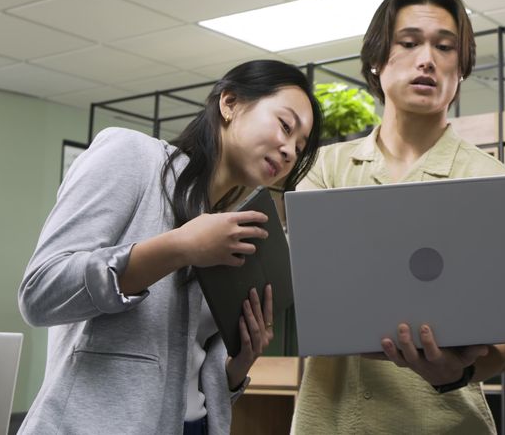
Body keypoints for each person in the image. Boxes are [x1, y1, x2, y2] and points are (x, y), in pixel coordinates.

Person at [17, 60, 323, 435]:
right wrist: (179, 247)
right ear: (230, 103)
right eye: (285, 125)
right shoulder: (131, 156)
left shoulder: (231, 230)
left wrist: (237, 365)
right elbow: (40, 293)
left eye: (300, 145)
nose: (290, 150)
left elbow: (190, 369)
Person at [290, 0, 505, 434]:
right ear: (376, 61)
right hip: (331, 422)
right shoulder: (324, 168)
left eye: (445, 47)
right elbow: (319, 295)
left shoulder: (493, 183)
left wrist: (457, 371)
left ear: (462, 68)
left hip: (446, 422)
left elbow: (504, 341)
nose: (427, 60)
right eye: (409, 43)